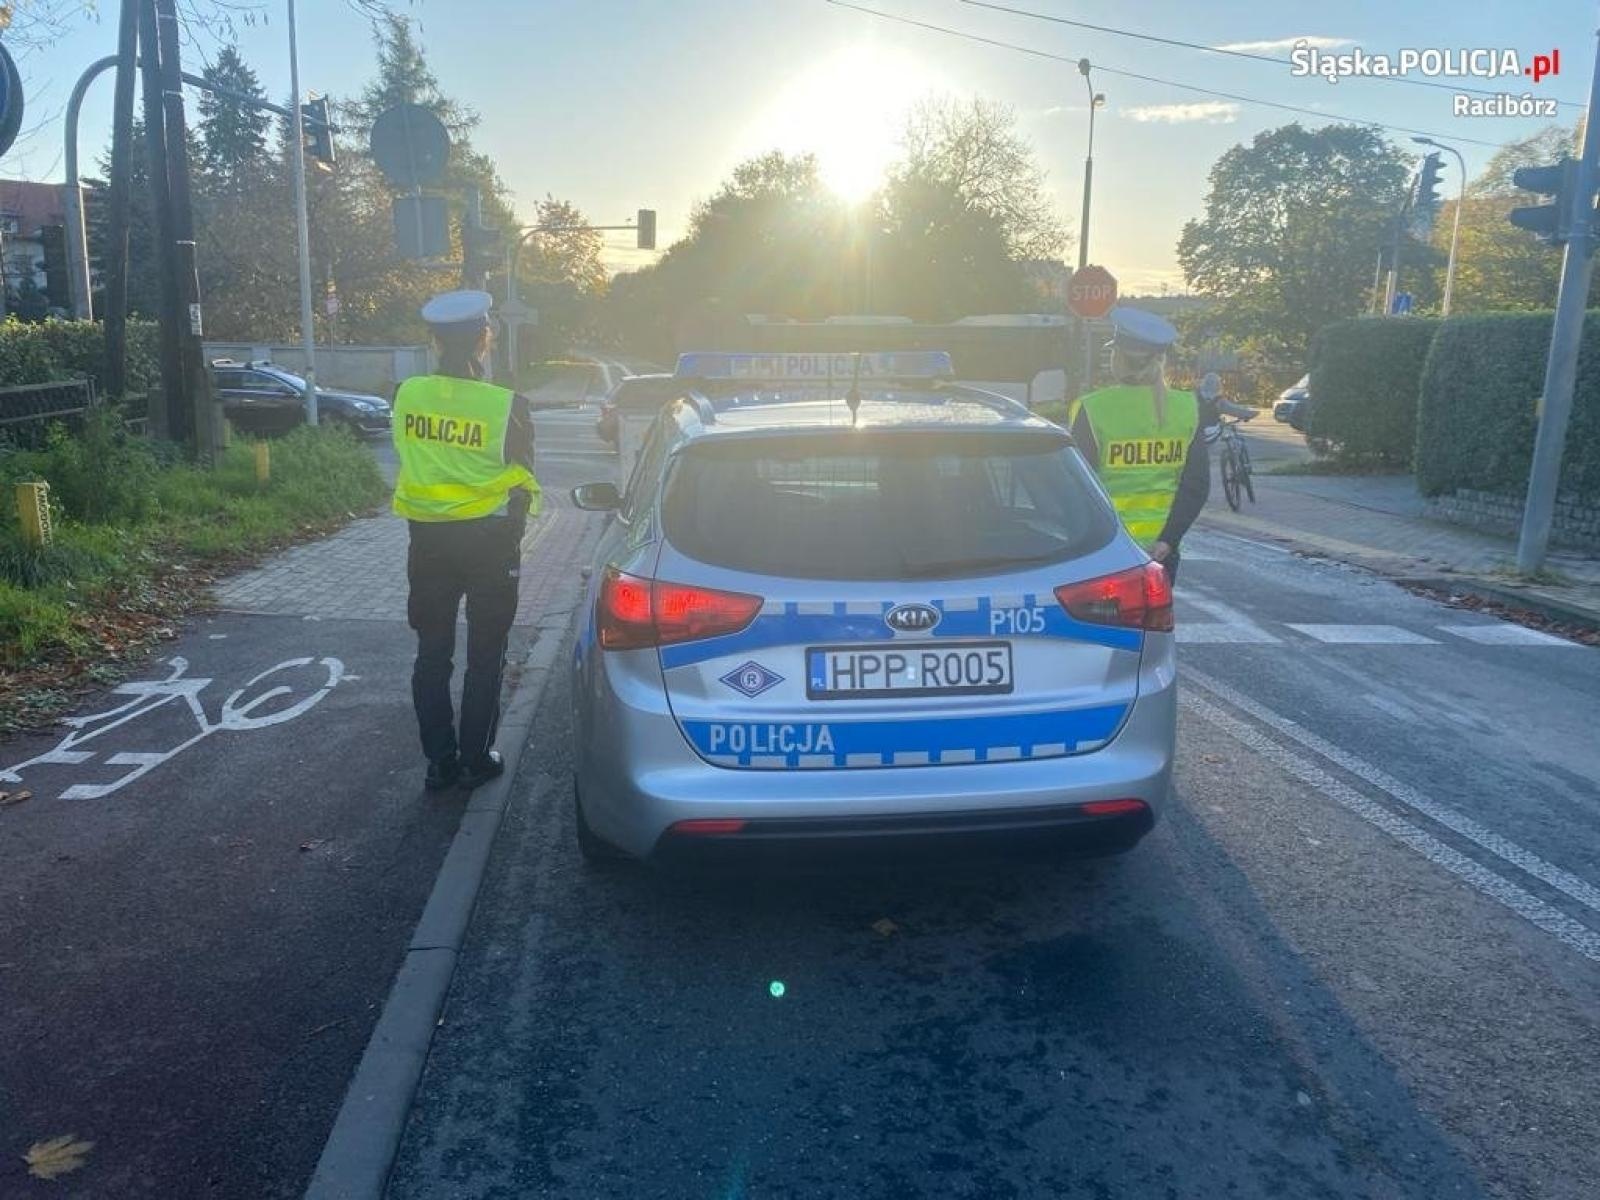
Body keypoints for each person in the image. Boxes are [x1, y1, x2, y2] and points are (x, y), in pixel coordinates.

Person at [392, 290, 541, 791]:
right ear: (484, 339)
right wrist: (514, 529)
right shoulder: (507, 405)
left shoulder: (405, 394)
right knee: (486, 651)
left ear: (434, 341)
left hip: (428, 541)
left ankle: (440, 762)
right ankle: (477, 757)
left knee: (432, 653)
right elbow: (524, 476)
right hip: (490, 543)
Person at [1067, 306, 1207, 584]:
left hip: (1107, 547)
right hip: (1161, 550)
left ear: (1117, 357)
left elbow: (1077, 488)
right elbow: (1196, 484)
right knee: (1156, 613)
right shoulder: (1187, 407)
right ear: (1160, 360)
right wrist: (1168, 539)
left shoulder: (1092, 408)